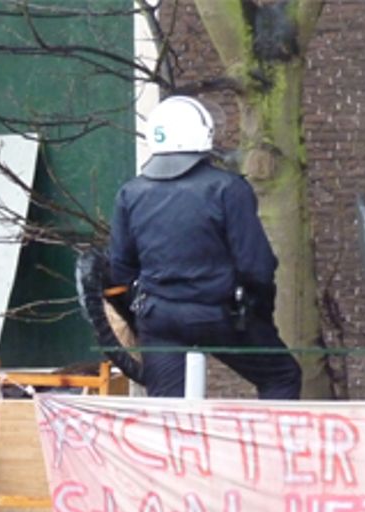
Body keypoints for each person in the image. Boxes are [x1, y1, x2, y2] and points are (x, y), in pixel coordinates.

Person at [109, 96, 302, 398]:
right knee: (282, 377)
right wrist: (258, 312)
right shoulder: (227, 188)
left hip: (160, 318)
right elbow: (257, 267)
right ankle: (267, 445)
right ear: (203, 134)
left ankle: (173, 446)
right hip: (220, 313)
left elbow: (120, 267)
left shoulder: (130, 193)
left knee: (167, 411)